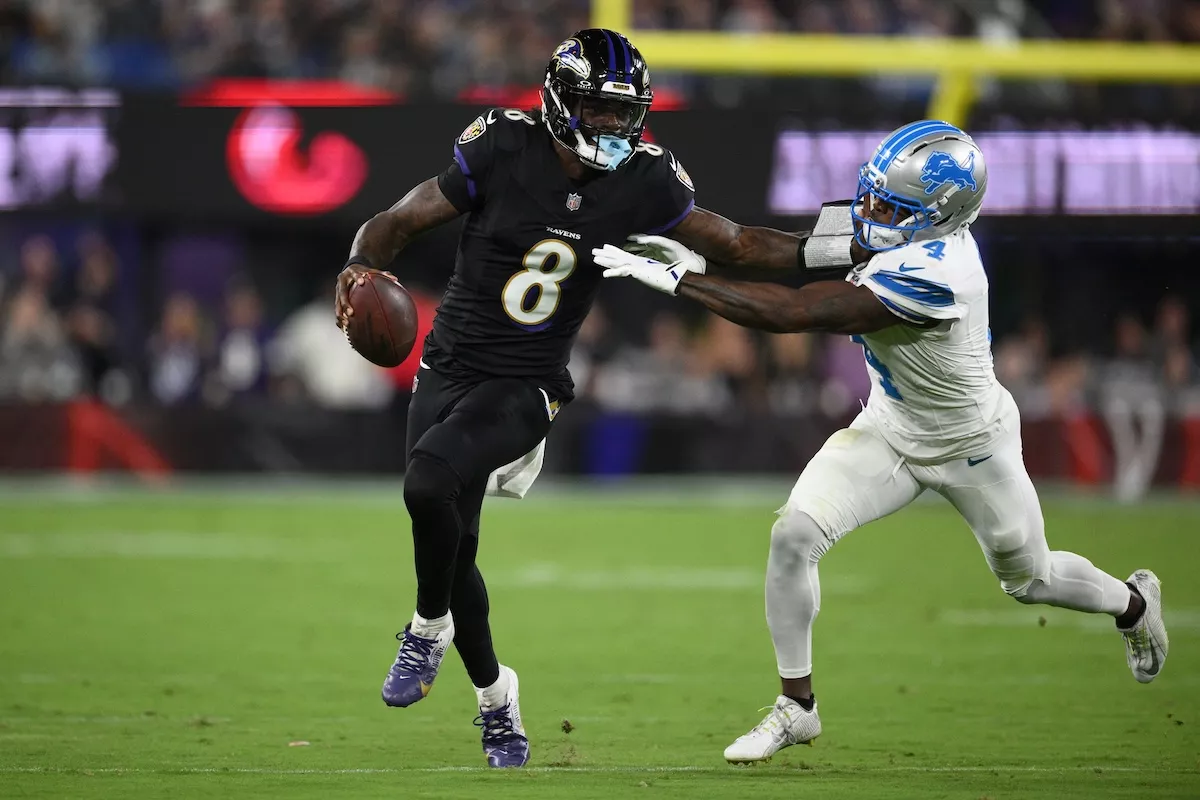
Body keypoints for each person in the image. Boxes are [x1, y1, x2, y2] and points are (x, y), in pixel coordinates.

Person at [333, 28, 845, 768]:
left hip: (528, 382)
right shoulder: (503, 146)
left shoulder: (644, 178)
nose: (611, 125)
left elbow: (735, 243)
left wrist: (841, 244)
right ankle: (497, 699)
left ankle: (426, 627)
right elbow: (399, 221)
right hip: (448, 365)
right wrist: (357, 266)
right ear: (559, 100)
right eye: (598, 109)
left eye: (623, 112)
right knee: (455, 545)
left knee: (426, 482)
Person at [595, 120, 1169, 763]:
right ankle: (797, 706)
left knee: (1031, 579)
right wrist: (672, 222)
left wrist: (682, 282)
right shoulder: (899, 224)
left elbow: (796, 312)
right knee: (793, 535)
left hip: (971, 445)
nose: (869, 215)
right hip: (890, 430)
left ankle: (1132, 603)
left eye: (889, 207)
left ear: (939, 215)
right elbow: (761, 245)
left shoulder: (941, 272)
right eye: (872, 197)